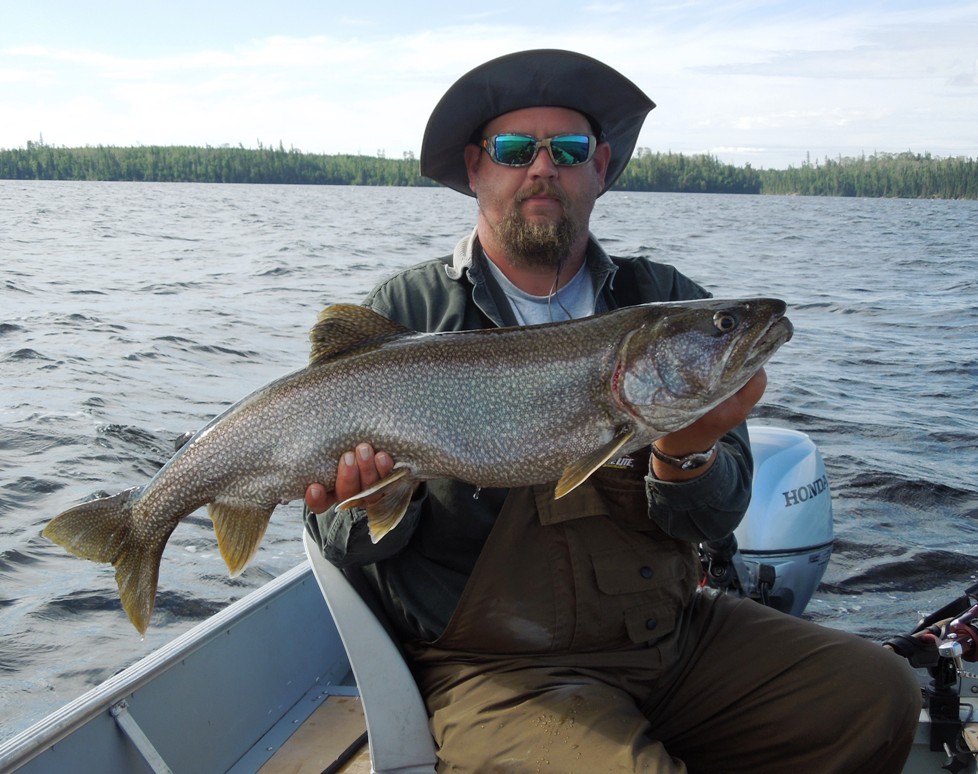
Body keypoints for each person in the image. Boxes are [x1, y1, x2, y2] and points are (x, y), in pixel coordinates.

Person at [304, 49, 921, 773]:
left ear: (599, 167)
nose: (542, 168)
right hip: (499, 670)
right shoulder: (405, 314)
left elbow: (716, 521)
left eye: (566, 149)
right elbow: (342, 541)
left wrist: (684, 456)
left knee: (878, 695)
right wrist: (367, 500)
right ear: (476, 168)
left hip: (672, 637)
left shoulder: (666, 296)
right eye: (514, 149)